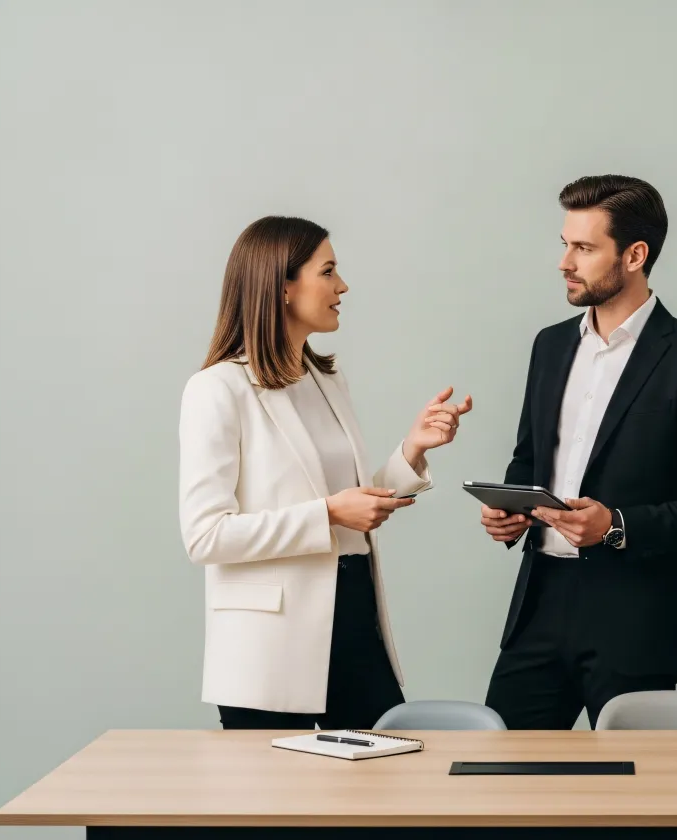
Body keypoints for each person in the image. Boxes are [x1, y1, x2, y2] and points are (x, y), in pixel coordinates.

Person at [178, 216, 472, 730]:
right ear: (283, 287)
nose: (343, 286)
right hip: (270, 648)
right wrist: (329, 513)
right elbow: (206, 536)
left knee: (380, 790)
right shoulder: (218, 389)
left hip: (355, 615)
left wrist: (413, 450)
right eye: (328, 272)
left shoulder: (326, 379)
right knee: (278, 806)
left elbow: (350, 502)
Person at [479, 175, 677, 730]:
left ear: (634, 255)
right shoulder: (549, 345)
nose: (564, 262)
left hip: (637, 620)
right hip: (540, 604)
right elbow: (528, 458)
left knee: (635, 806)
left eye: (584, 248)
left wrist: (617, 526)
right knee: (502, 787)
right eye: (565, 244)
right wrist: (511, 510)